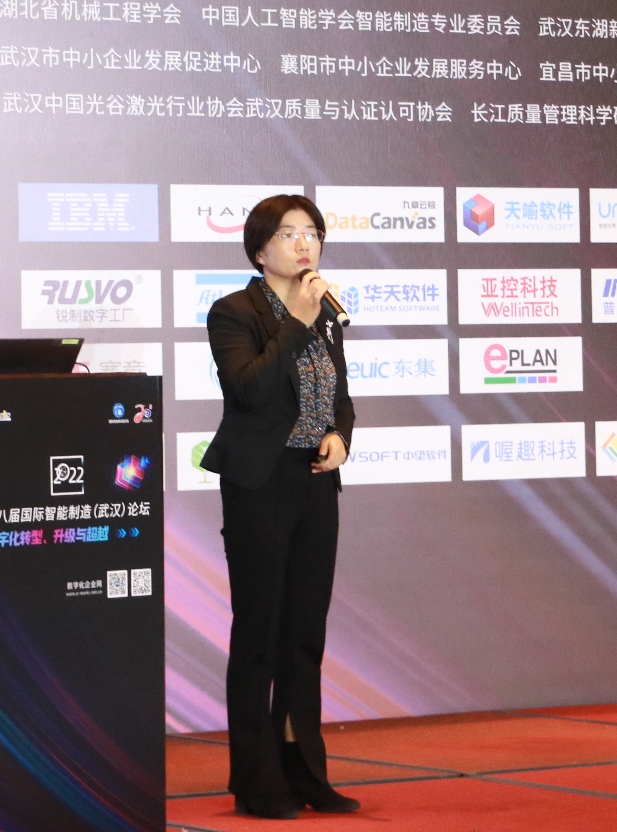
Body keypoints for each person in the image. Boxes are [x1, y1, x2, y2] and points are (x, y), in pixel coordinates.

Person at [201, 195, 360, 820]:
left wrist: (340, 435)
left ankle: (305, 772)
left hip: (315, 483)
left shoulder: (325, 313)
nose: (304, 244)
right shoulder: (233, 312)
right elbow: (248, 389)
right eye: (290, 234)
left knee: (304, 637)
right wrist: (296, 320)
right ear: (260, 248)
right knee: (260, 637)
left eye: (312, 233)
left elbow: (337, 394)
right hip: (259, 485)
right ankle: (257, 781)